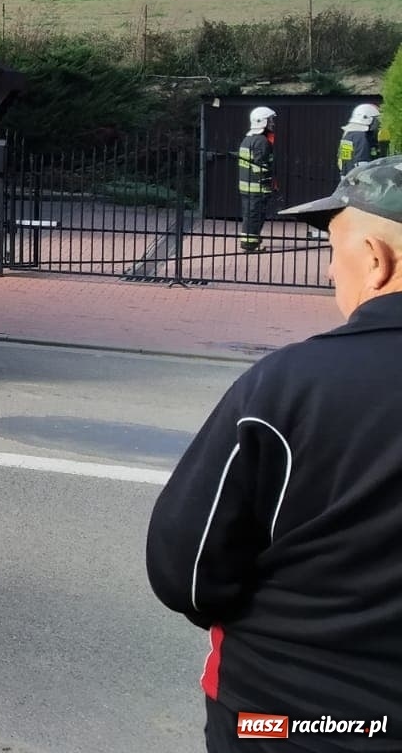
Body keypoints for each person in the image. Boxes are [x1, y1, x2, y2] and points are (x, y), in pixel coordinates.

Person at [147, 156, 402, 751]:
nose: (332, 270)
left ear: (375, 259)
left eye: (334, 250)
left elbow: (184, 573)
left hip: (290, 714)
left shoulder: (290, 385)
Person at [236, 106, 276, 252]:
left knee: (249, 215)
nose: (272, 123)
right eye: (270, 120)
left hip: (246, 186)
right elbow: (260, 166)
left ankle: (249, 240)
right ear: (262, 122)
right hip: (257, 186)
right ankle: (250, 245)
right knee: (255, 216)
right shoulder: (261, 141)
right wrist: (268, 181)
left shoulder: (248, 139)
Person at [337, 103, 381, 179]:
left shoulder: (348, 135)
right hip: (359, 181)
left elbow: (342, 160)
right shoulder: (361, 137)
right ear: (368, 119)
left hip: (347, 178)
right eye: (376, 119)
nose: (378, 123)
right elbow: (362, 163)